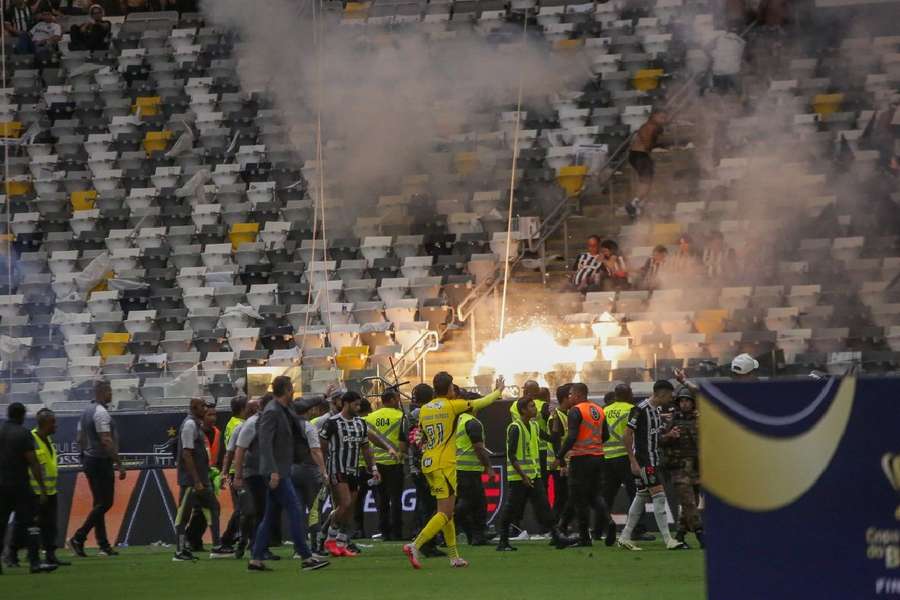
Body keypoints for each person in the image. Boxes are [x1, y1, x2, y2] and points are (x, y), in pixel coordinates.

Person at [403, 373, 505, 569]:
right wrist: (498, 391)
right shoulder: (452, 405)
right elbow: (481, 403)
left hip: (428, 463)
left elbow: (421, 437)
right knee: (445, 512)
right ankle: (415, 545)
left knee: (446, 512)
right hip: (445, 465)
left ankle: (454, 556)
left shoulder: (424, 409)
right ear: (449, 388)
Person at [248, 376, 329, 571]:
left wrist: (323, 396)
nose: (294, 391)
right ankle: (306, 556)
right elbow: (265, 443)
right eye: (291, 388)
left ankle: (256, 559)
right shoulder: (272, 412)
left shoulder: (286, 408)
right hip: (277, 472)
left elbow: (303, 404)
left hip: (282, 469)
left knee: (270, 516)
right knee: (294, 510)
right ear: (285, 390)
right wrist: (273, 471)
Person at [617, 379, 689, 551]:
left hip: (654, 459)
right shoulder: (639, 409)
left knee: (641, 495)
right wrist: (632, 461)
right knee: (659, 496)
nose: (671, 399)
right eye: (670, 396)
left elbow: (654, 436)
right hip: (644, 461)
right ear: (662, 394)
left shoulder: (657, 410)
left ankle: (625, 536)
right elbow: (626, 435)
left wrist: (669, 435)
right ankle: (668, 539)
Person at [319, 390, 391, 557]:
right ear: (346, 403)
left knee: (350, 507)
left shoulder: (360, 423)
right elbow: (321, 447)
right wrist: (323, 470)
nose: (358, 407)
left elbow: (366, 448)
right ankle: (329, 539)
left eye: (359, 404)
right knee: (344, 503)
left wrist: (373, 468)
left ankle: (341, 542)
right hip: (337, 469)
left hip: (354, 469)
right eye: (356, 404)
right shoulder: (332, 422)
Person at [497, 397, 574, 551]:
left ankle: (557, 537)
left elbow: (553, 438)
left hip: (534, 475)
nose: (535, 409)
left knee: (544, 506)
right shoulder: (515, 428)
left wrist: (555, 419)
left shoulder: (534, 426)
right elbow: (511, 455)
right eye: (532, 406)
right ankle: (503, 541)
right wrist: (523, 476)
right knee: (512, 509)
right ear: (523, 410)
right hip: (519, 478)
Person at [69, 380, 126, 558]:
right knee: (106, 503)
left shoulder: (85, 411)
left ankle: (103, 545)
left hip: (89, 460)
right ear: (102, 392)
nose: (111, 395)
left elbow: (79, 438)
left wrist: (84, 454)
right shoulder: (101, 413)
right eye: (109, 391)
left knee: (98, 504)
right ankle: (79, 537)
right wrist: (118, 462)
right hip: (101, 462)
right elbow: (106, 440)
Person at [0, 403, 57, 575]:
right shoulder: (23, 434)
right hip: (20, 486)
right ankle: (34, 562)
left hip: (1, 485)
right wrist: (41, 488)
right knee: (31, 524)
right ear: (22, 415)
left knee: (1, 524)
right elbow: (33, 462)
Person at [554, 383, 612, 547]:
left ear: (579, 395)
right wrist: (593, 444)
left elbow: (571, 436)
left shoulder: (576, 410)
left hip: (581, 459)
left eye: (571, 394)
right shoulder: (599, 410)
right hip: (598, 457)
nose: (570, 397)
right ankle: (610, 523)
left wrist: (559, 456)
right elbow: (605, 436)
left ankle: (584, 537)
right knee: (595, 495)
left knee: (579, 498)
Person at [172, 398, 229, 561]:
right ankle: (179, 551)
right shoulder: (189, 425)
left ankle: (217, 546)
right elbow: (187, 454)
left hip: (202, 478)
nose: (205, 409)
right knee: (184, 514)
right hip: (191, 480)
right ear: (194, 407)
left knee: (213, 507)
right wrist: (195, 480)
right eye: (203, 406)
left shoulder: (196, 425)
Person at [601, 384, 652, 543]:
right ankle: (638, 530)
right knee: (636, 494)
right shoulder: (633, 409)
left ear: (615, 395)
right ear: (628, 394)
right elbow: (637, 434)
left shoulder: (604, 410)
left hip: (607, 457)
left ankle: (600, 529)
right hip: (626, 457)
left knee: (606, 496)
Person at [232, 395, 276, 561]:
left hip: (267, 472)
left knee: (264, 511)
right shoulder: (251, 424)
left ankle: (258, 545)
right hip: (252, 473)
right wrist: (237, 476)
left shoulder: (270, 422)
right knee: (255, 512)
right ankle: (250, 544)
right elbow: (239, 450)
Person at [404, 383, 444, 558]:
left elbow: (406, 441)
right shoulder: (425, 413)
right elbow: (419, 440)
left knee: (425, 505)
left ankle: (424, 539)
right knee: (430, 506)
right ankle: (427, 543)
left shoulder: (410, 416)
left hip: (416, 465)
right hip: (427, 464)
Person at [662, 386, 704, 548]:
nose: (685, 404)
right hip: (679, 466)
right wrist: (670, 436)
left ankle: (680, 535)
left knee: (690, 501)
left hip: (696, 466)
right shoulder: (671, 420)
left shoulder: (699, 419)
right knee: (688, 502)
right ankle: (701, 533)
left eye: (688, 401)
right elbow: (659, 440)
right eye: (682, 401)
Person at [365, 388, 408, 541]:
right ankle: (397, 532)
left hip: (376, 463)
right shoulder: (401, 416)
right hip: (395, 462)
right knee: (396, 499)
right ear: (390, 400)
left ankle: (384, 532)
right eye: (397, 399)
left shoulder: (370, 417)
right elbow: (404, 439)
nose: (399, 402)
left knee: (381, 499)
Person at [291, 396, 329, 557]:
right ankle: (315, 547)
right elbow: (315, 450)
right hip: (309, 471)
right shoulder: (308, 426)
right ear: (308, 411)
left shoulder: (286, 426)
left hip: (291, 470)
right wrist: (323, 471)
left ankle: (298, 548)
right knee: (314, 510)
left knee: (297, 510)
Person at [185, 402, 226, 552]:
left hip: (210, 475)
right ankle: (194, 540)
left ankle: (193, 540)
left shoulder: (217, 432)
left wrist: (220, 475)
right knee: (204, 508)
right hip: (197, 475)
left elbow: (220, 455)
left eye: (215, 414)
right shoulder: (195, 430)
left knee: (202, 510)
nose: (213, 418)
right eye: (209, 414)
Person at [454, 398, 494, 546]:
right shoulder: (473, 423)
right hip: (468, 470)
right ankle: (444, 524)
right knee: (466, 505)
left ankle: (477, 536)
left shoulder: (459, 420)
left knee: (478, 504)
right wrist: (488, 466)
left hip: (461, 469)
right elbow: (478, 448)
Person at [220, 396, 252, 553]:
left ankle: (243, 539)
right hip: (238, 471)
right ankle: (227, 540)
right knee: (242, 508)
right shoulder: (239, 425)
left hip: (235, 470)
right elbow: (237, 450)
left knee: (245, 507)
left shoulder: (231, 423)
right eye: (248, 407)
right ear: (242, 409)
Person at [627, 110, 668, 219]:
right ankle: (634, 204)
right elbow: (647, 144)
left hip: (638, 155)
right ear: (654, 116)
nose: (663, 121)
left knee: (646, 181)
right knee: (646, 181)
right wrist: (660, 144)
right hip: (640, 155)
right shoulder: (650, 127)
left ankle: (638, 203)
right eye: (661, 118)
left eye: (665, 118)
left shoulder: (649, 126)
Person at [547, 384, 576, 532]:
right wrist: (563, 464)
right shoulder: (556, 416)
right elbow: (556, 441)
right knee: (561, 497)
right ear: (565, 398)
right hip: (559, 465)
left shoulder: (569, 413)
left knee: (567, 496)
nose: (574, 397)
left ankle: (562, 526)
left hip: (567, 463)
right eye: (571, 394)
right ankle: (557, 528)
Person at [706, 24, 745, 95]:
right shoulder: (740, 42)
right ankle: (735, 90)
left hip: (719, 71)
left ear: (726, 30)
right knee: (735, 73)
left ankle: (715, 88)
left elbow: (707, 48)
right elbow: (741, 54)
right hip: (733, 72)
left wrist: (712, 56)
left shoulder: (719, 39)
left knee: (711, 68)